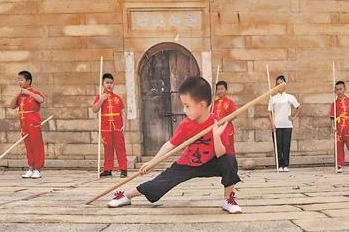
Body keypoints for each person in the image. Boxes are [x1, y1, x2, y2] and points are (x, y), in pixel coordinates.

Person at [106, 76, 241, 214]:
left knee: (229, 161)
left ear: (201, 105)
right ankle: (126, 196)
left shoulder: (217, 123)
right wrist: (152, 162)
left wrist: (216, 136)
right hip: (187, 164)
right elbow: (170, 145)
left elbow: (220, 154)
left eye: (187, 106)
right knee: (159, 183)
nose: (184, 110)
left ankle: (228, 199)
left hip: (210, 163)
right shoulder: (186, 125)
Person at [91, 73, 128, 178]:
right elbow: (94, 109)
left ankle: (123, 168)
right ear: (103, 84)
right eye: (107, 82)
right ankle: (108, 169)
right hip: (106, 127)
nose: (109, 85)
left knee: (120, 148)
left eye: (111, 83)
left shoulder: (118, 98)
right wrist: (102, 99)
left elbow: (122, 112)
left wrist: (124, 125)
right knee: (108, 148)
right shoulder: (99, 97)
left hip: (117, 126)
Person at [9, 70, 46, 179]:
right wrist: (17, 95)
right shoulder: (20, 95)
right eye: (18, 80)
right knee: (28, 146)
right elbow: (12, 106)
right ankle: (31, 167)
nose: (19, 82)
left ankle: (38, 169)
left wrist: (29, 93)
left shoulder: (34, 92)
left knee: (37, 146)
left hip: (33, 123)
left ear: (28, 81)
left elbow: (41, 100)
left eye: (21, 80)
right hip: (24, 124)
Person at [268, 75, 301, 172]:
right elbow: (269, 112)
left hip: (287, 124)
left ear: (285, 84)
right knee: (278, 146)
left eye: (281, 83)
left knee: (286, 145)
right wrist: (272, 123)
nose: (280, 85)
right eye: (277, 84)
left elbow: (298, 107)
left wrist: (293, 117)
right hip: (276, 124)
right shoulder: (273, 98)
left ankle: (286, 165)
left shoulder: (290, 97)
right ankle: (279, 165)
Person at [213, 81, 236, 155]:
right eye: (218, 89)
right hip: (216, 129)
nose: (220, 91)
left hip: (227, 129)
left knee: (229, 149)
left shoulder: (230, 102)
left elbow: (234, 115)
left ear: (226, 90)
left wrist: (224, 121)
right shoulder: (214, 103)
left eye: (222, 89)